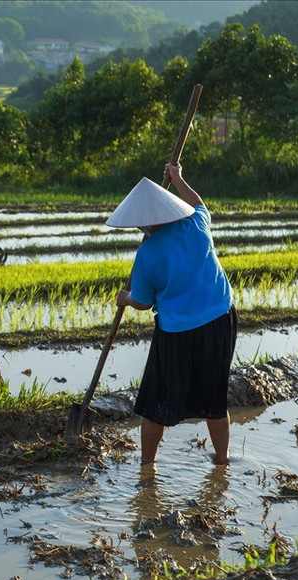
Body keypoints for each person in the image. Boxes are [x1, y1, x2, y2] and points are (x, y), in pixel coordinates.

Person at [108, 163, 236, 465]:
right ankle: (223, 461)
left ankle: (147, 466)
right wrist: (179, 179)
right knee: (214, 398)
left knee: (155, 402)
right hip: (220, 319)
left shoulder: (147, 255)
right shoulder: (196, 224)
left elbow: (142, 301)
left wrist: (126, 299)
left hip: (178, 332)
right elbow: (199, 204)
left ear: (142, 224)